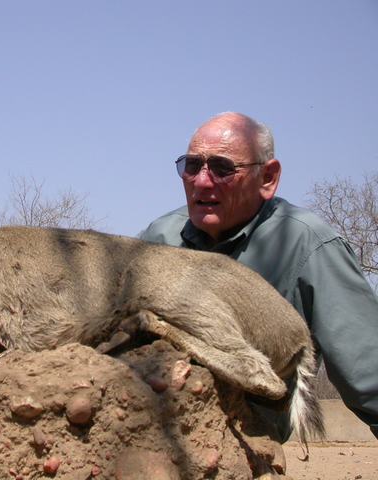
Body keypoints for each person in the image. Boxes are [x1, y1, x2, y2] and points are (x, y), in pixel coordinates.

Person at [140, 112, 378, 440]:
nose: (202, 181)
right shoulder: (160, 237)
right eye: (192, 166)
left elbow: (369, 376)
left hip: (242, 443)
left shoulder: (307, 244)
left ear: (268, 177)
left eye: (222, 168)